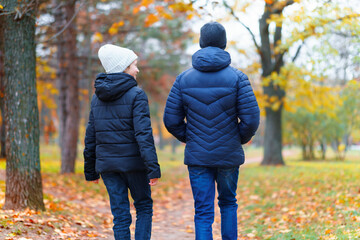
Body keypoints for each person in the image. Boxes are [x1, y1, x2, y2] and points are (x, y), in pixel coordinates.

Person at [164, 22, 260, 240]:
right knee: (228, 203)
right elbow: (251, 119)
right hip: (228, 154)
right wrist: (238, 138)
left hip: (198, 156)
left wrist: (190, 137)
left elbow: (171, 120)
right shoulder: (238, 78)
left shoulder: (183, 79)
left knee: (203, 211)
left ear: (200, 42)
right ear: (224, 44)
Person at [84, 44, 161, 240]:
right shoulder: (136, 95)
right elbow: (143, 134)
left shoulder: (96, 98)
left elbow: (90, 136)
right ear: (124, 68)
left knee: (120, 215)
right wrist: (152, 168)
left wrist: (90, 170)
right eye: (134, 65)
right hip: (134, 165)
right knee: (143, 206)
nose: (137, 69)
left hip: (108, 167)